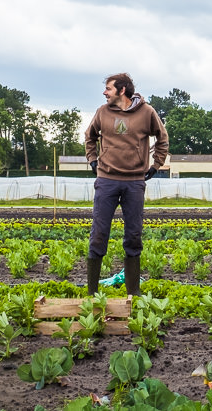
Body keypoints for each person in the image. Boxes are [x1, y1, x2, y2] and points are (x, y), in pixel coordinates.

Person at [85, 73, 169, 296]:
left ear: (122, 91)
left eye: (109, 89)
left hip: (134, 182)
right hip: (107, 181)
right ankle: (92, 293)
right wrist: (93, 160)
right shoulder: (102, 112)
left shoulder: (147, 113)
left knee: (133, 235)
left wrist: (156, 164)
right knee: (99, 234)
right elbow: (89, 136)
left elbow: (162, 138)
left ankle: (134, 292)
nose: (104, 92)